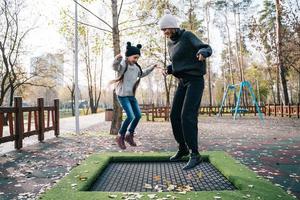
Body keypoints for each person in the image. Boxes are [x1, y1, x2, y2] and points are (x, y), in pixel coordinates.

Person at [159, 10, 212, 170]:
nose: (165, 32)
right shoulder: (170, 44)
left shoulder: (187, 36)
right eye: (162, 30)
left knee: (187, 116)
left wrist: (203, 53)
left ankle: (195, 154)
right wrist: (169, 69)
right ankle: (182, 148)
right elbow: (178, 64)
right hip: (182, 82)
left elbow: (206, 47)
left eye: (166, 28)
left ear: (173, 26)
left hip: (195, 80)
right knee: (174, 115)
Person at [112, 42, 158, 150]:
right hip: (122, 95)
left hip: (131, 96)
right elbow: (115, 67)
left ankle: (129, 135)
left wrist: (152, 67)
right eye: (134, 57)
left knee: (138, 115)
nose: (136, 60)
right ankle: (120, 136)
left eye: (137, 58)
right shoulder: (123, 65)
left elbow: (142, 73)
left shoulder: (136, 67)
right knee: (131, 116)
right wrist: (117, 59)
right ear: (128, 56)